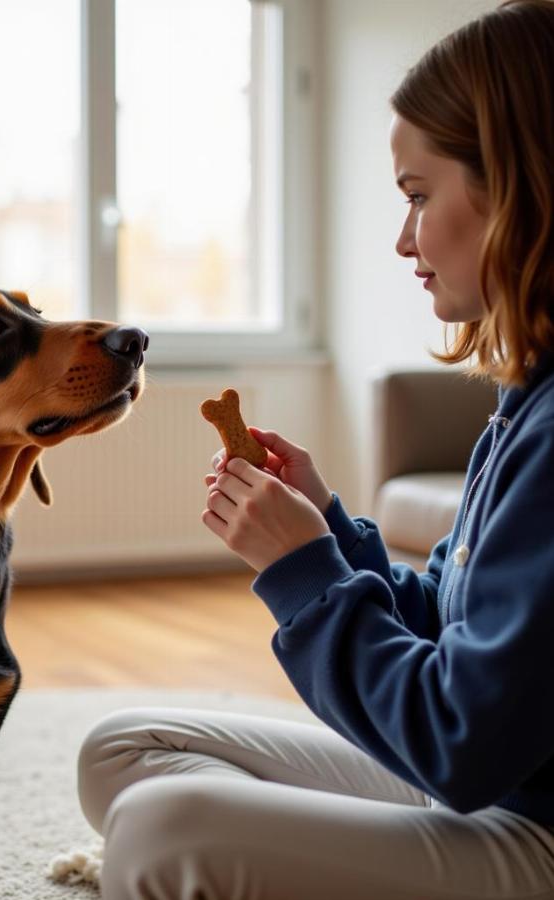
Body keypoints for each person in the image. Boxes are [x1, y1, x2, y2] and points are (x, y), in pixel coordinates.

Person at [76, 1, 554, 897]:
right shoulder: (527, 399)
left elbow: (460, 741)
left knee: (156, 830)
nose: (404, 238)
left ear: (523, 187)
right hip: (495, 781)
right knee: (122, 752)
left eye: (419, 195)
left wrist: (303, 574)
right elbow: (460, 632)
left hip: (528, 822)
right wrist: (329, 532)